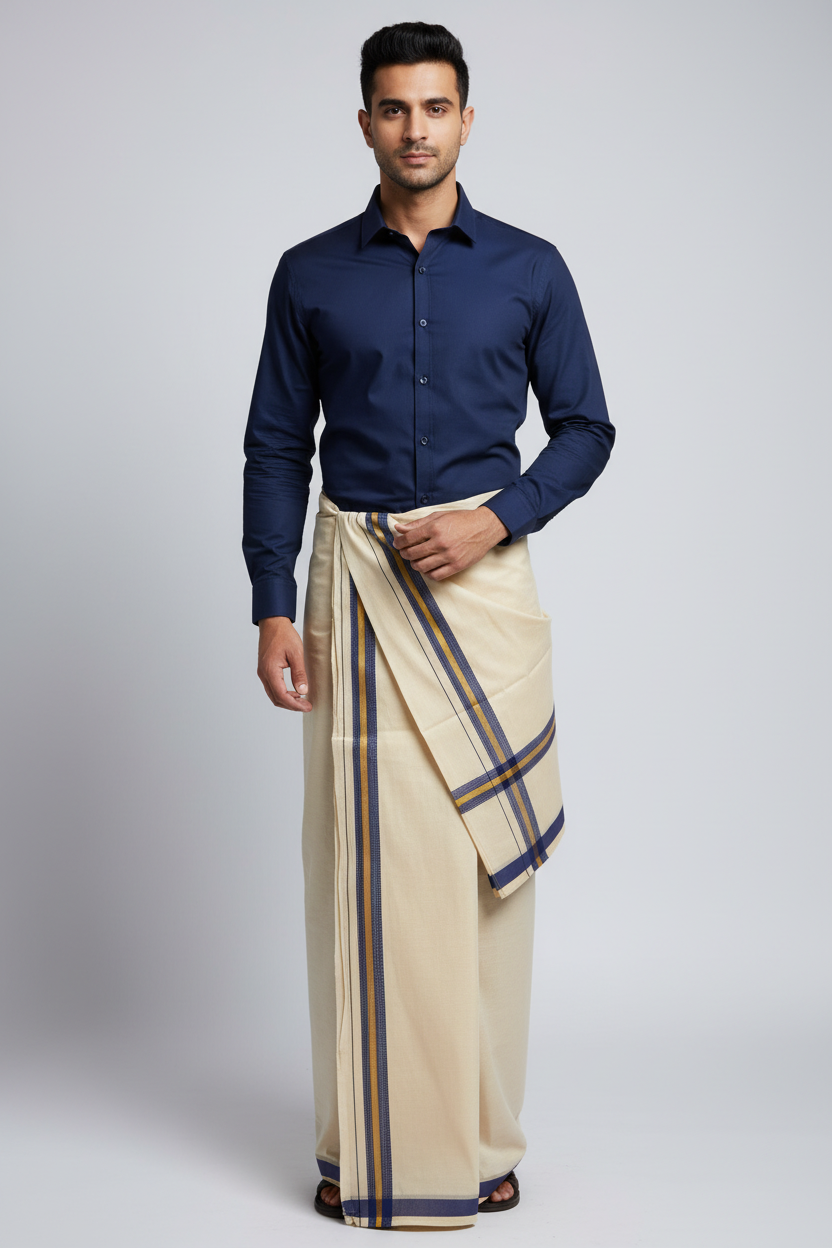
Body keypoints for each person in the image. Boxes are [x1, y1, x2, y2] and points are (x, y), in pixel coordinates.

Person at [243, 21, 614, 1231]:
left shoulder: (529, 268)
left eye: (436, 107)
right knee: (361, 870)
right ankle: (360, 1146)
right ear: (365, 122)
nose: (416, 129)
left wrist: (495, 519)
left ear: (467, 118)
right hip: (352, 591)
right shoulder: (309, 272)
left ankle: (485, 1142)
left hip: (481, 590)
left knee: (485, 871)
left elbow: (586, 428)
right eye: (394, 108)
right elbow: (275, 446)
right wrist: (269, 601)